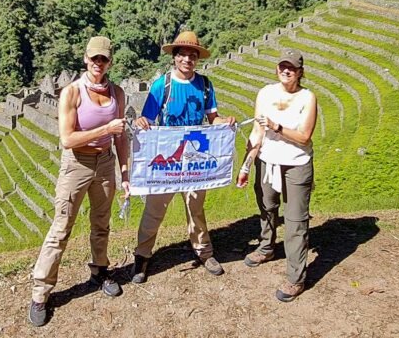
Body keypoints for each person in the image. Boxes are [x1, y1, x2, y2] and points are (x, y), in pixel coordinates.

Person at [28, 36, 130, 327]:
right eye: (94, 58)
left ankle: (100, 270)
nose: (99, 64)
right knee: (61, 228)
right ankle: (40, 294)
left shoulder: (117, 93)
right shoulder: (72, 92)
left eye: (104, 59)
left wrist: (125, 172)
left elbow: (120, 136)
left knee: (101, 222)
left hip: (105, 162)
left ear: (110, 62)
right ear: (86, 59)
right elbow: (67, 139)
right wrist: (104, 128)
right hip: (77, 164)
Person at [131, 31, 235, 282]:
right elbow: (149, 119)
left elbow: (212, 117)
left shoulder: (205, 85)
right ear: (175, 58)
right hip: (167, 159)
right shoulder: (162, 85)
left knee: (195, 208)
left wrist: (225, 122)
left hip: (194, 159)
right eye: (183, 55)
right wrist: (141, 121)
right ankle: (142, 256)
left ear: (197, 59)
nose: (187, 59)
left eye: (192, 55)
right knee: (154, 210)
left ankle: (203, 251)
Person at [239, 48, 317, 302]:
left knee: (295, 220)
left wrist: (277, 127)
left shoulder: (308, 97)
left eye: (292, 68)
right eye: (283, 66)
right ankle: (266, 247)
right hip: (267, 159)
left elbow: (305, 136)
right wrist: (246, 163)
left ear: (300, 73)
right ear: (277, 68)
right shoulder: (266, 93)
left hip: (296, 163)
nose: (286, 70)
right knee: (267, 205)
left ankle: (296, 277)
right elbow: (256, 131)